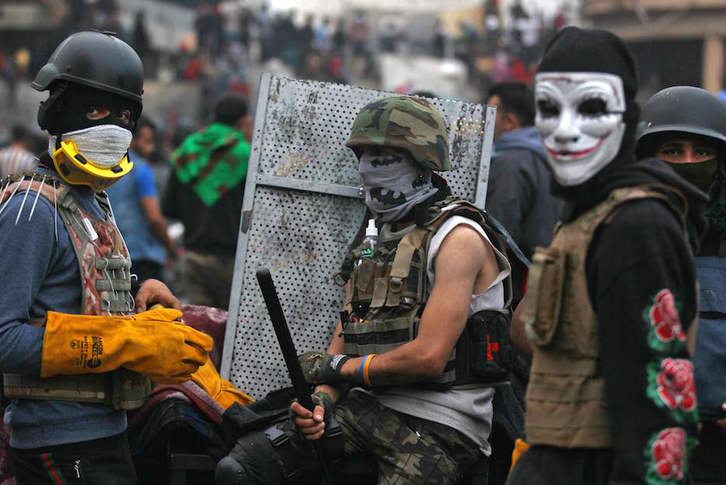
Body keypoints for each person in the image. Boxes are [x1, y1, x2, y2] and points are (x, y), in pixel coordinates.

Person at [217, 96, 514, 485]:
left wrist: (338, 369)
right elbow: (349, 326)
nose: (368, 168)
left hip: (439, 425)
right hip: (365, 407)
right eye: (364, 154)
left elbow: (429, 357)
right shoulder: (374, 236)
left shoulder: (458, 238)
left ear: (422, 162)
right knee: (240, 470)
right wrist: (322, 399)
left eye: (384, 156)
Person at [0, 31, 214, 484]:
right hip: (56, 439)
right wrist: (130, 342)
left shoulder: (95, 203)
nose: (113, 126)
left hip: (107, 428)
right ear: (59, 109)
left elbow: (83, 294)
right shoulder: (31, 210)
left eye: (123, 114)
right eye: (97, 110)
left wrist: (140, 295)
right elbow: (4, 337)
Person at [507, 27, 705, 484]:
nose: (565, 130)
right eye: (549, 108)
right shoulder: (585, 216)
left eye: (592, 107)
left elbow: (656, 409)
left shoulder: (636, 226)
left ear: (626, 117)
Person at [636, 85, 726, 484]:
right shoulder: (619, 227)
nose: (688, 163)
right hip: (635, 436)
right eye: (673, 151)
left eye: (701, 153)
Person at [162, 93, 252, 309]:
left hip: (193, 258)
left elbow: (168, 207)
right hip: (232, 262)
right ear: (242, 121)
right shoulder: (245, 154)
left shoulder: (187, 150)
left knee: (201, 332)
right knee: (231, 333)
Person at [485, 81, 565, 306]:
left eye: (492, 113)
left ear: (509, 121)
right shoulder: (550, 154)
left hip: (520, 288)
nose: (485, 120)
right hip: (551, 278)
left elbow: (499, 233)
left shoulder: (510, 163)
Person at [106, 116, 176, 283]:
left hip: (111, 253)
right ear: (131, 141)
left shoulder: (106, 168)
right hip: (143, 258)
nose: (151, 148)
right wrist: (170, 248)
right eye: (147, 141)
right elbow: (154, 218)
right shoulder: (142, 170)